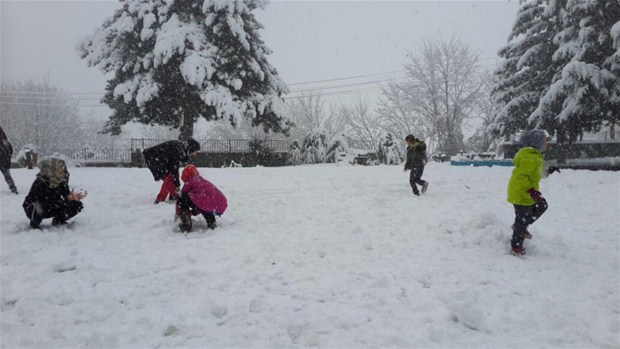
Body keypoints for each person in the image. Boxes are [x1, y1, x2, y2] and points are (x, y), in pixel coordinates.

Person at [507, 129, 559, 256]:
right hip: (521, 193)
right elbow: (521, 178)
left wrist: (548, 171)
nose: (547, 143)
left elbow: (537, 175)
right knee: (522, 218)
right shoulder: (529, 157)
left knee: (541, 206)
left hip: (526, 193)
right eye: (545, 141)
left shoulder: (535, 156)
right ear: (537, 142)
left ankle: (521, 226)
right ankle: (516, 247)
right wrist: (532, 192)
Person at [22, 158, 86, 229]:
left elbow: (66, 197)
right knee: (38, 206)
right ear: (51, 170)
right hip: (37, 208)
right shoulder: (40, 182)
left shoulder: (61, 183)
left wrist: (73, 198)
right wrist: (65, 200)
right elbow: (37, 201)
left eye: (62, 168)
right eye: (59, 169)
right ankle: (35, 223)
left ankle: (58, 220)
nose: (62, 171)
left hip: (52, 206)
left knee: (77, 204)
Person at [142, 137, 200, 204]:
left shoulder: (181, 148)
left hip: (160, 159)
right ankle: (160, 199)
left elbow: (173, 167)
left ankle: (174, 195)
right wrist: (177, 184)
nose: (195, 154)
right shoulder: (178, 150)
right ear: (191, 149)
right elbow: (174, 168)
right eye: (195, 151)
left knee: (171, 178)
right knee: (169, 179)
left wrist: (176, 183)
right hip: (154, 159)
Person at [176, 165, 227, 232]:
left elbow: (182, 195)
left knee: (182, 197)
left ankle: (185, 223)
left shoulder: (190, 180)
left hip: (207, 201)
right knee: (207, 206)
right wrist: (194, 211)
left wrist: (178, 213)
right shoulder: (202, 180)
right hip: (220, 202)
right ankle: (212, 223)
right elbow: (200, 203)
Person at [0, 127, 18, 194]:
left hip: (3, 160)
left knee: (7, 175)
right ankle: (13, 188)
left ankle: (13, 188)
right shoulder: (5, 142)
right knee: (7, 175)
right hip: (5, 161)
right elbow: (10, 151)